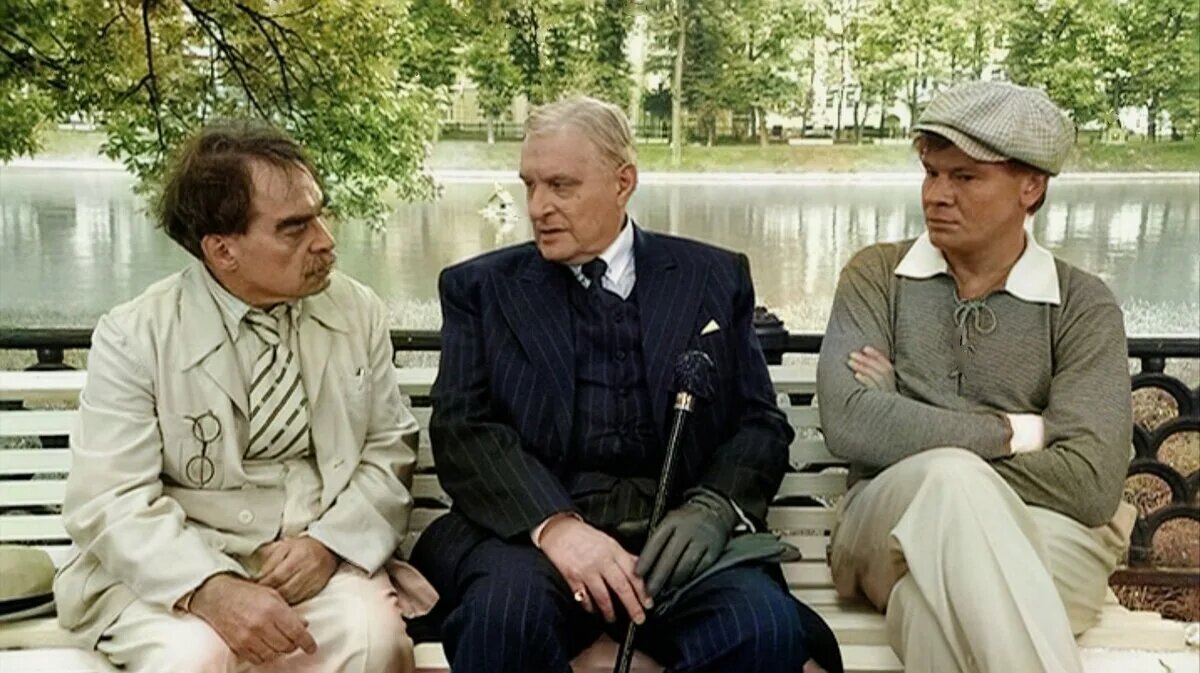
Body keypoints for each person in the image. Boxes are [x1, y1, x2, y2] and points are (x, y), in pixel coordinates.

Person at [410, 96, 842, 673]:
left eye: (561, 186)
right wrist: (556, 528)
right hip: (532, 546)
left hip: (677, 546)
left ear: (623, 182)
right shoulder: (480, 289)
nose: (538, 207)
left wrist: (713, 508)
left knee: (761, 631)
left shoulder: (712, 277)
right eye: (529, 185)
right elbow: (463, 429)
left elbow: (757, 422)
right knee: (502, 621)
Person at [54, 120, 436, 673]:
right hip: (171, 569)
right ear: (222, 250)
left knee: (373, 641)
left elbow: (387, 447)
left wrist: (329, 546)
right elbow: (111, 497)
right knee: (194, 657)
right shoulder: (136, 335)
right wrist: (208, 587)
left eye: (320, 214)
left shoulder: (358, 312)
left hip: (312, 558)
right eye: (294, 228)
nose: (325, 240)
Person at [817, 80, 1137, 673]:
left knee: (926, 608)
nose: (937, 195)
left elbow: (1090, 483)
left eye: (964, 177)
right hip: (885, 527)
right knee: (951, 478)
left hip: (1054, 534)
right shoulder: (877, 276)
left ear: (1030, 187)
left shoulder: (1082, 305)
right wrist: (1018, 431)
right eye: (931, 173)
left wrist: (908, 419)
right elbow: (850, 421)